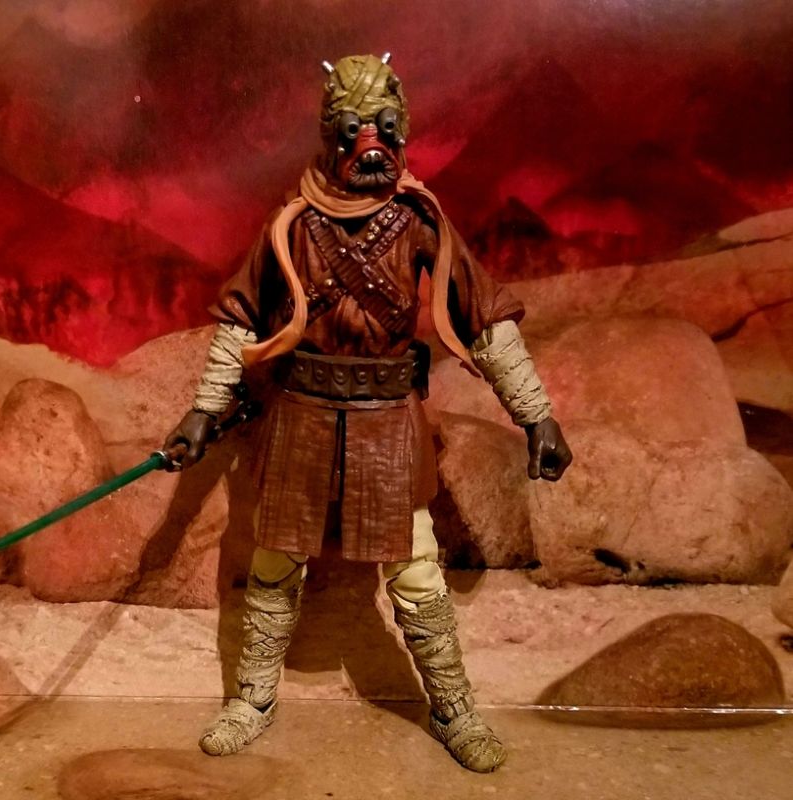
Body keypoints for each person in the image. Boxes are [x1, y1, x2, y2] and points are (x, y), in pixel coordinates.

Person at [162, 53, 572, 773]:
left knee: (416, 572)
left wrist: (536, 415)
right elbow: (240, 319)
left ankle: (454, 707)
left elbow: (483, 319)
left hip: (387, 418)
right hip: (302, 413)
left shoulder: (421, 222)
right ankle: (252, 699)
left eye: (384, 126)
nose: (370, 143)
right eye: (354, 128)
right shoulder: (291, 227)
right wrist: (203, 411)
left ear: (402, 129)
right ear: (332, 133)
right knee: (274, 561)